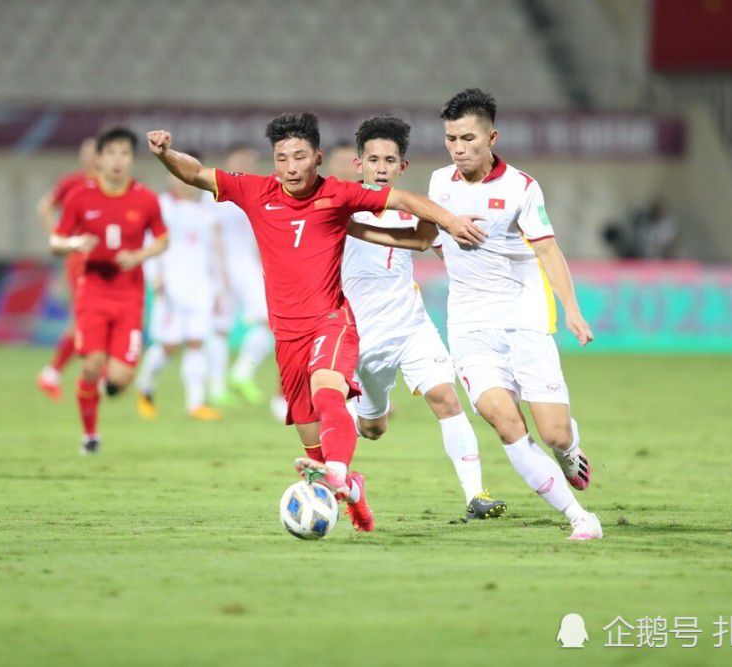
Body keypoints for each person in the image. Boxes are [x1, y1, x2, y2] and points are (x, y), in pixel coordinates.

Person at [146, 112, 486, 531]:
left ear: (317, 158)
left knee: (329, 395)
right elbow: (196, 173)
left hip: (332, 319)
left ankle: (341, 474)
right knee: (312, 452)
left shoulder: (338, 194)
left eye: (300, 157)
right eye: (282, 157)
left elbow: (402, 200)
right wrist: (165, 155)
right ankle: (352, 490)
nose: (291, 166)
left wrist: (450, 222)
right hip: (287, 334)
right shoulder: (255, 191)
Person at [430, 89, 602, 540]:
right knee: (505, 422)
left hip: (524, 322)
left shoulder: (521, 187)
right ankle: (579, 517)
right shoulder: (438, 184)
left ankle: (569, 452)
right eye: (450, 138)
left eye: (467, 138)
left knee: (555, 434)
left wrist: (572, 311)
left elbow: (547, 249)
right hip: (468, 328)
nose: (458, 148)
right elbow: (424, 239)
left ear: (492, 137)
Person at [342, 115, 506, 520]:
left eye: (390, 160)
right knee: (372, 429)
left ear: (403, 167)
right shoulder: (341, 210)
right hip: (363, 339)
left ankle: (476, 495)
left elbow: (445, 249)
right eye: (374, 159)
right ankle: (357, 445)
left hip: (413, 327)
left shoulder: (415, 211)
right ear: (358, 164)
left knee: (446, 399)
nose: (382, 168)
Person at [50, 126, 169, 454]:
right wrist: (75, 243)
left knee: (119, 377)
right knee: (91, 364)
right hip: (94, 291)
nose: (118, 160)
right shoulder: (80, 197)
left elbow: (163, 239)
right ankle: (90, 436)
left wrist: (139, 255)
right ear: (99, 159)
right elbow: (55, 241)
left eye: (125, 154)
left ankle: (101, 388)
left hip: (130, 296)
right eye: (111, 153)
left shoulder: (145, 198)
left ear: (132, 159)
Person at [136, 170, 222, 421]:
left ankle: (195, 403)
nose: (185, 183)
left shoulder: (206, 210)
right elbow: (149, 242)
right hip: (172, 286)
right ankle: (145, 387)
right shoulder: (162, 206)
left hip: (201, 288)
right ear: (171, 178)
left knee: (197, 342)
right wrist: (154, 275)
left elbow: (212, 251)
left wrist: (217, 286)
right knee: (169, 345)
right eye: (180, 177)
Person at [200, 145, 274, 407]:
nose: (246, 164)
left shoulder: (254, 191)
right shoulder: (214, 191)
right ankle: (218, 387)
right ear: (229, 159)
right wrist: (220, 274)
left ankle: (241, 373)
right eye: (241, 158)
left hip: (247, 265)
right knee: (219, 327)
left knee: (269, 319)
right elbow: (214, 233)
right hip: (221, 267)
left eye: (251, 160)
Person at [36, 136, 98, 400]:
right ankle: (53, 372)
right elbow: (44, 207)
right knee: (85, 316)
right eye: (85, 151)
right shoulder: (73, 183)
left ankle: (90, 371)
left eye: (94, 152)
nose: (89, 157)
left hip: (108, 259)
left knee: (95, 316)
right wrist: (62, 238)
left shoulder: (115, 185)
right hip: (81, 258)